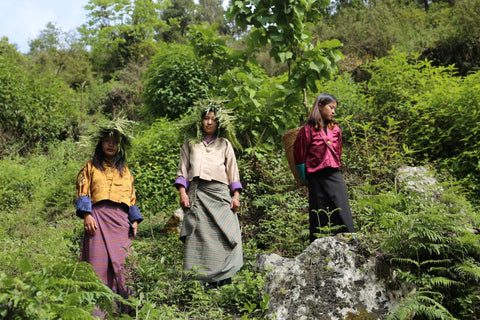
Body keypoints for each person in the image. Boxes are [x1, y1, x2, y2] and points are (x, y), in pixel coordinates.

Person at [76, 120, 143, 317]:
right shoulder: (90, 167)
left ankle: (129, 308)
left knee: (124, 265)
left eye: (114, 141)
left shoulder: (126, 171)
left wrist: (135, 220)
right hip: (96, 219)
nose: (111, 144)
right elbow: (83, 192)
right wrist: (87, 215)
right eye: (107, 141)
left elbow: (131, 198)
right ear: (100, 144)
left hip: (120, 221)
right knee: (98, 265)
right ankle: (98, 312)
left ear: (120, 145)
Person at [174, 104, 243, 289]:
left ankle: (224, 280)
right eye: (206, 118)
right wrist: (182, 193)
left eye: (213, 118)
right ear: (200, 121)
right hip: (196, 194)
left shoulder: (225, 144)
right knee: (199, 238)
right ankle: (198, 283)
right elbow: (182, 171)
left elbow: (233, 173)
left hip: (220, 195)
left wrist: (235, 196)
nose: (209, 122)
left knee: (225, 234)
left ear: (219, 121)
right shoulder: (190, 143)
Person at [293, 93, 355, 243]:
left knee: (342, 206)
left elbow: (338, 151)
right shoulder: (307, 131)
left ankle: (350, 239)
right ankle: (319, 243)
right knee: (320, 211)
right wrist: (304, 177)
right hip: (315, 176)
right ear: (320, 107)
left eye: (335, 108)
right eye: (330, 107)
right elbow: (299, 155)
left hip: (333, 173)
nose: (333, 111)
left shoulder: (336, 129)